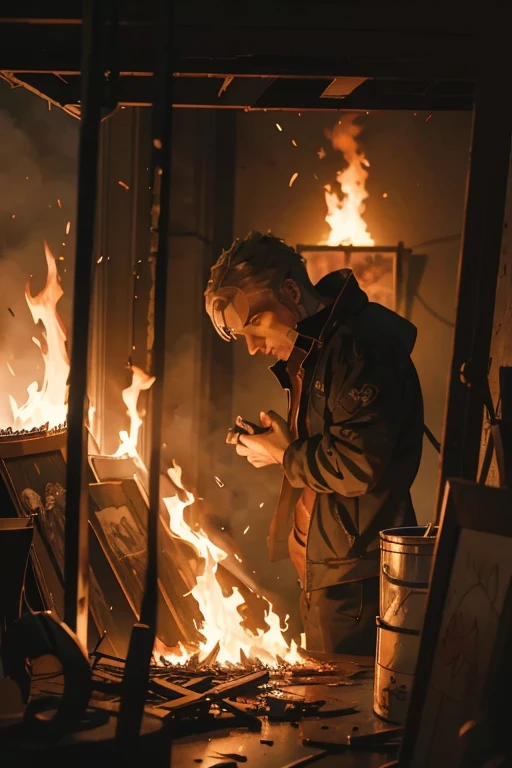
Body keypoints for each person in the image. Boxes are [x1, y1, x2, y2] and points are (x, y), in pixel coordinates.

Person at [204, 231, 424, 656]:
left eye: (253, 323)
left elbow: (356, 465)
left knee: (345, 716)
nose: (251, 347)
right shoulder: (319, 349)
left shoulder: (359, 348)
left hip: (353, 581)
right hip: (330, 573)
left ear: (290, 291)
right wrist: (275, 447)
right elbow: (332, 446)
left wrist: (285, 453)